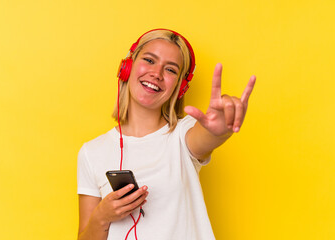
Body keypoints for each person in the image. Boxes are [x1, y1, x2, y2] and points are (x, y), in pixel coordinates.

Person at [77, 29, 256, 240]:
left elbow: (204, 139)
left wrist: (219, 130)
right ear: (127, 67)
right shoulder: (91, 152)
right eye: (149, 60)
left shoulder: (183, 134)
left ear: (180, 88)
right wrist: (102, 216)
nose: (157, 74)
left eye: (170, 70)